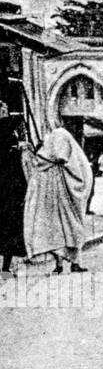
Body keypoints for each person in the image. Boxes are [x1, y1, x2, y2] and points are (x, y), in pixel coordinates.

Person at [21, 114, 93, 274]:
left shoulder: (45, 161)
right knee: (65, 229)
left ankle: (65, 264)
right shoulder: (59, 141)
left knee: (62, 229)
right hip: (61, 199)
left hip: (61, 198)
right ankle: (68, 264)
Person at [0, 104, 28, 275]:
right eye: (3, 109)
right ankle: (5, 268)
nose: (6, 111)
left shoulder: (8, 131)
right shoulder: (5, 129)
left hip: (10, 188)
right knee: (9, 227)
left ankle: (5, 267)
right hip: (6, 189)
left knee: (9, 228)